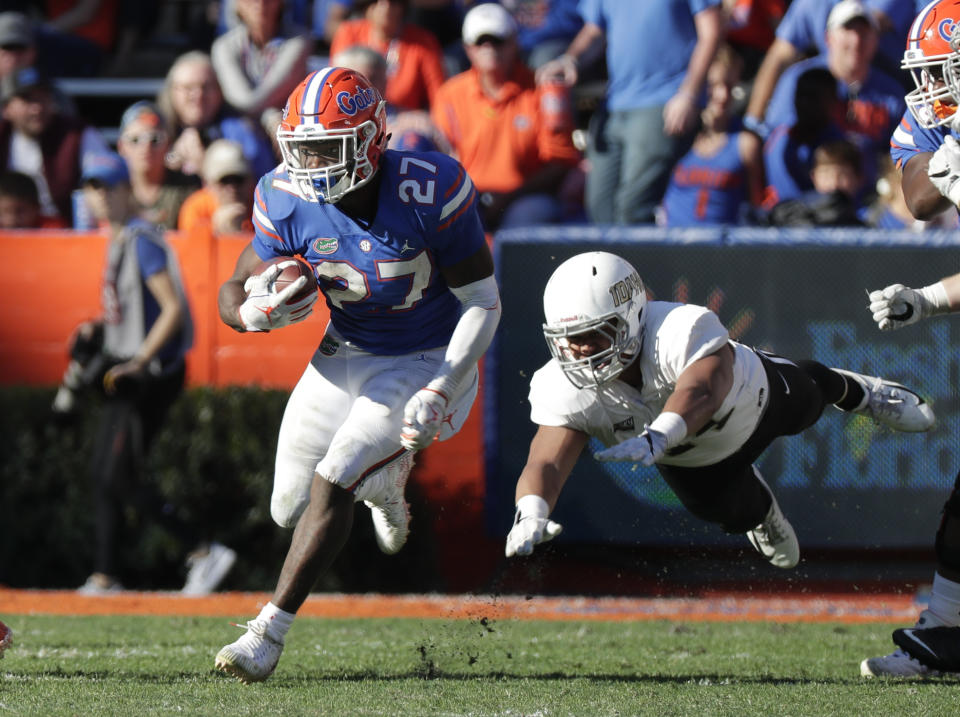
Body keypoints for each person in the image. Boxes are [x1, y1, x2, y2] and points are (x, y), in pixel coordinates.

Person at [213, 66, 500, 683]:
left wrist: (445, 382)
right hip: (345, 350)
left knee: (334, 478)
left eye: (327, 149)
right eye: (302, 149)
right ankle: (387, 480)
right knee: (287, 506)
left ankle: (267, 634)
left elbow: (484, 301)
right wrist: (248, 312)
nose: (312, 164)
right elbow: (232, 285)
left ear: (372, 141)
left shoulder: (431, 187)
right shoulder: (283, 195)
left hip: (426, 357)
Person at [504, 251, 934, 581]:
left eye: (592, 335)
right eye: (569, 340)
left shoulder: (678, 326)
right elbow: (545, 459)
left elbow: (704, 389)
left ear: (632, 315)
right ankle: (763, 514)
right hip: (693, 460)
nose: (579, 351)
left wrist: (659, 435)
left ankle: (861, 392)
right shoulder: (562, 383)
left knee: (811, 393)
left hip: (752, 399)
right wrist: (532, 510)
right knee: (734, 514)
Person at [52, 151, 236, 597]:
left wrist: (137, 361)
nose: (98, 197)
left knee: (118, 474)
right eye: (91, 188)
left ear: (123, 191)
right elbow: (135, 310)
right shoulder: (119, 239)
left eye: (106, 187)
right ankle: (105, 574)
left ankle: (203, 550)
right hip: (130, 368)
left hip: (148, 372)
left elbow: (172, 308)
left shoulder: (139, 239)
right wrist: (100, 326)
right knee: (103, 473)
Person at [859, 0, 960, 676]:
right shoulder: (940, 120)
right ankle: (949, 630)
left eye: (939, 71)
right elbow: (919, 197)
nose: (927, 88)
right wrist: (925, 300)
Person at [536, 0, 724, 224]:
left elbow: (712, 31)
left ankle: (637, 260)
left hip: (663, 102)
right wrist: (570, 59)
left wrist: (689, 93)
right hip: (614, 105)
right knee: (598, 205)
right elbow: (595, 30)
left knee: (633, 207)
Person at [431, 2, 581, 231]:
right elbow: (442, 160)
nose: (489, 48)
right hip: (468, 196)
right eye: (481, 41)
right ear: (468, 48)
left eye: (498, 40)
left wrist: (509, 197)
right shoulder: (450, 94)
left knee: (528, 216)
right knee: (446, 216)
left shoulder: (542, 91)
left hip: (526, 196)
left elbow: (560, 162)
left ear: (514, 42)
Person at [761, 0, 905, 193]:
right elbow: (778, 143)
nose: (856, 40)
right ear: (829, 38)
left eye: (864, 32)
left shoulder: (891, 92)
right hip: (808, 196)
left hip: (869, 202)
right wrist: (793, 202)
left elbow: (900, 155)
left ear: (875, 40)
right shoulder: (802, 81)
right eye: (848, 30)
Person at [661, 44, 765, 226]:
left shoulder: (745, 143)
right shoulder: (675, 136)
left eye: (729, 86)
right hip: (673, 246)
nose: (723, 95)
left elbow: (757, 206)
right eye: (713, 85)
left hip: (721, 248)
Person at [0, 65, 108, 225]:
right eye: (27, 100)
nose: (36, 108)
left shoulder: (78, 134)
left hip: (68, 233)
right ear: (6, 108)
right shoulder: (2, 134)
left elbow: (104, 184)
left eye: (43, 97)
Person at [157, 51, 277, 181]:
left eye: (206, 87)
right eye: (188, 87)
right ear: (172, 92)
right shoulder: (158, 129)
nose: (198, 95)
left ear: (220, 90)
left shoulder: (241, 131)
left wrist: (206, 165)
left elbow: (264, 183)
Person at [210, 0, 313, 138]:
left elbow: (267, 96)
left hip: (288, 127)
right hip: (241, 129)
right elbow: (243, 103)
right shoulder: (223, 47)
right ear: (236, 4)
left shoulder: (299, 41)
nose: (260, 3)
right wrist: (269, 116)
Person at [329, 0, 446, 112]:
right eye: (376, 1)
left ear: (402, 6)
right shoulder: (348, 33)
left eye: (392, 1)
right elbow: (334, 89)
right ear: (366, 6)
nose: (385, 7)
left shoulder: (423, 42)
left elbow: (439, 98)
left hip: (404, 125)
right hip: (352, 123)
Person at [116, 100, 201, 231]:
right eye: (135, 140)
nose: (146, 147)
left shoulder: (187, 189)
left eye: (155, 140)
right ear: (121, 147)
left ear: (168, 144)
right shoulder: (113, 190)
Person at [767, 139, 865, 226]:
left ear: (859, 178)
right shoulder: (793, 216)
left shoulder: (871, 217)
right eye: (826, 175)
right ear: (813, 177)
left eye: (843, 175)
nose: (834, 184)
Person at [178, 138, 254, 234]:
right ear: (207, 183)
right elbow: (189, 246)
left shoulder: (261, 207)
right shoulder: (196, 208)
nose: (232, 188)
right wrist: (216, 229)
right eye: (224, 181)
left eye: (238, 179)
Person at [0, 169, 64, 228]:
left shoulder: (53, 229)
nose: (12, 220)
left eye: (20, 211)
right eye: (5, 212)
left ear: (37, 207)